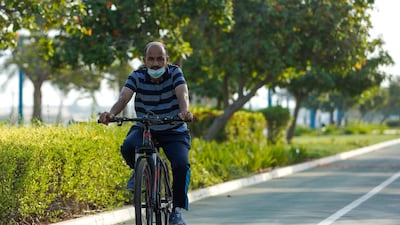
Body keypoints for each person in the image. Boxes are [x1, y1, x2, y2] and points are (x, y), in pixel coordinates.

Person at [99, 41, 193, 225]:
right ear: (144, 60)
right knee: (127, 147)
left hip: (173, 127)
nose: (155, 63)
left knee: (181, 165)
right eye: (151, 59)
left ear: (167, 60)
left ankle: (177, 211)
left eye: (160, 59)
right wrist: (111, 113)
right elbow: (124, 97)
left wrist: (184, 111)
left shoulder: (175, 73)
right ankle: (140, 171)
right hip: (145, 125)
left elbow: (183, 94)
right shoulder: (137, 76)